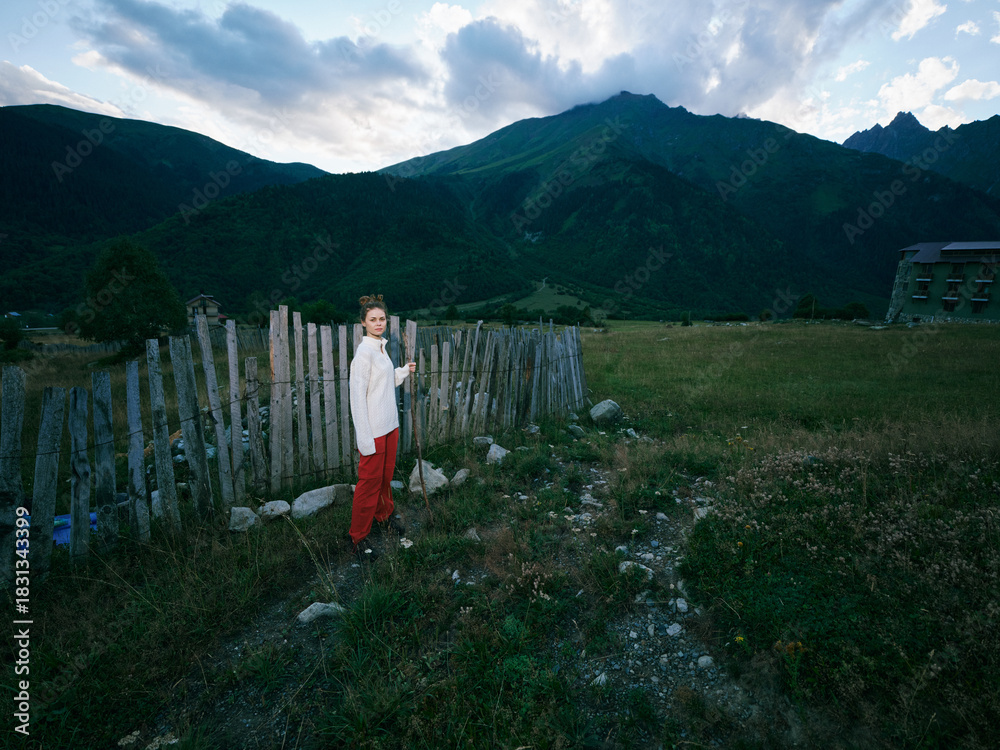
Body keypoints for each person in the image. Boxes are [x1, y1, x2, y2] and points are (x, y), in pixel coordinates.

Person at [348, 294, 416, 558]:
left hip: (390, 427)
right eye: (372, 320)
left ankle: (384, 516)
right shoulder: (364, 354)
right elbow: (357, 398)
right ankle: (358, 538)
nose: (378, 323)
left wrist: (402, 371)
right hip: (374, 432)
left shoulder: (380, 348)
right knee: (368, 484)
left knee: (385, 479)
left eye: (382, 319)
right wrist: (364, 440)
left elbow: (383, 383)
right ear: (363, 323)